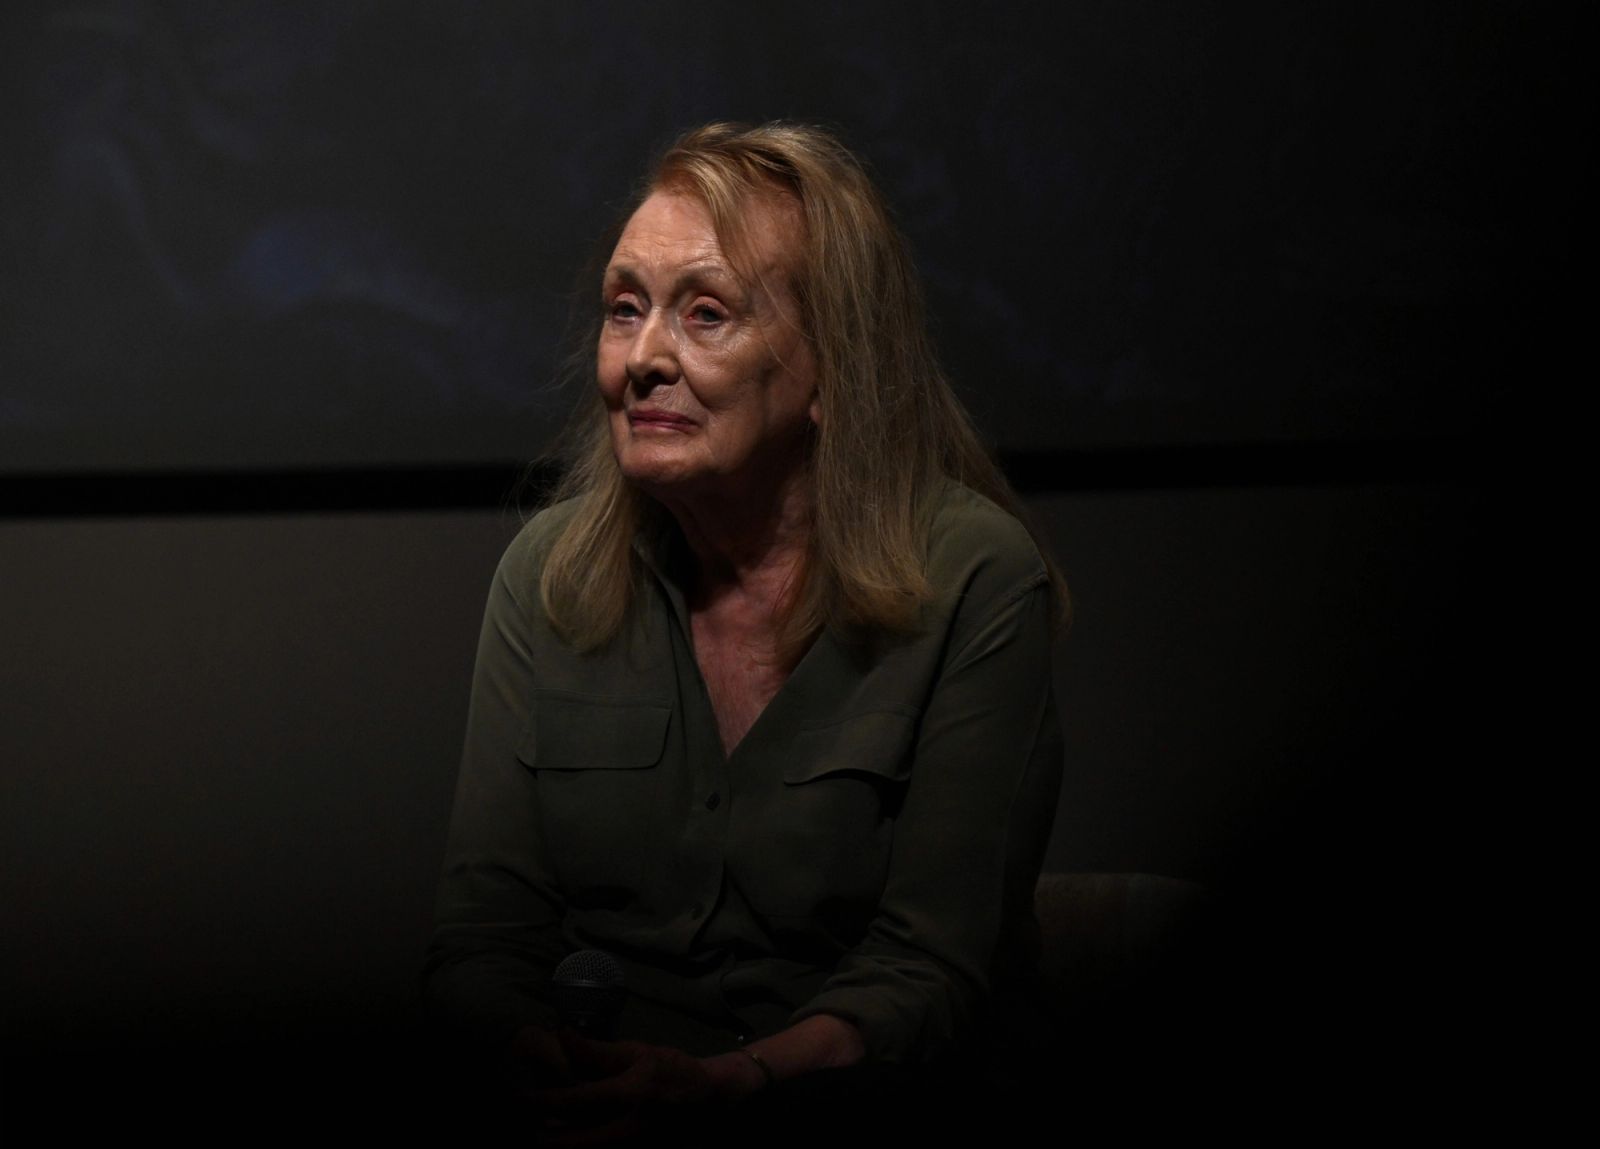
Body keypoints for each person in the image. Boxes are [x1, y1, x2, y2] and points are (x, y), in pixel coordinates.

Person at [424, 121, 1066, 1136]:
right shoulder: (547, 577)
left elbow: (931, 969)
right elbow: (483, 935)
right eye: (624, 308)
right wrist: (531, 1051)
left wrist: (734, 1085)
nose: (643, 358)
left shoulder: (974, 579)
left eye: (706, 313)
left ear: (831, 366)